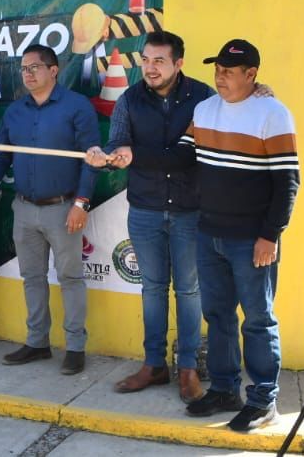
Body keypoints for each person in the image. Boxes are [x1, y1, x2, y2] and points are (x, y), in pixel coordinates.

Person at [86, 30, 213, 399]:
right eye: (145, 60)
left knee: (189, 290)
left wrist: (261, 91)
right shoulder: (129, 99)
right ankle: (154, 365)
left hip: (191, 210)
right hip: (145, 210)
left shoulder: (204, 97)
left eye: (159, 61)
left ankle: (187, 368)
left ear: (178, 63)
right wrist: (107, 157)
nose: (150, 68)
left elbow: (197, 150)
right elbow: (117, 144)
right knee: (153, 289)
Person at [182, 39, 299, 432]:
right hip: (209, 233)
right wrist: (123, 155)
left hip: (251, 239)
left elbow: (287, 182)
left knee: (258, 320)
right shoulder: (204, 110)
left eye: (229, 72)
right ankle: (225, 389)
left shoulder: (273, 113)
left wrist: (271, 235)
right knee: (218, 316)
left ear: (251, 74)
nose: (220, 77)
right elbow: (179, 156)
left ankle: (263, 400)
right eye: (217, 70)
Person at [0, 44, 98, 375]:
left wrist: (81, 204)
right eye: (24, 68)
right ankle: (37, 342)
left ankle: (75, 347)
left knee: (70, 278)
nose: (27, 74)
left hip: (63, 208)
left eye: (34, 67)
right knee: (32, 277)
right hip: (24, 209)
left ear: (53, 70)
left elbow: (92, 159)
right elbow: (1, 155)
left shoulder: (77, 106)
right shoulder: (15, 111)